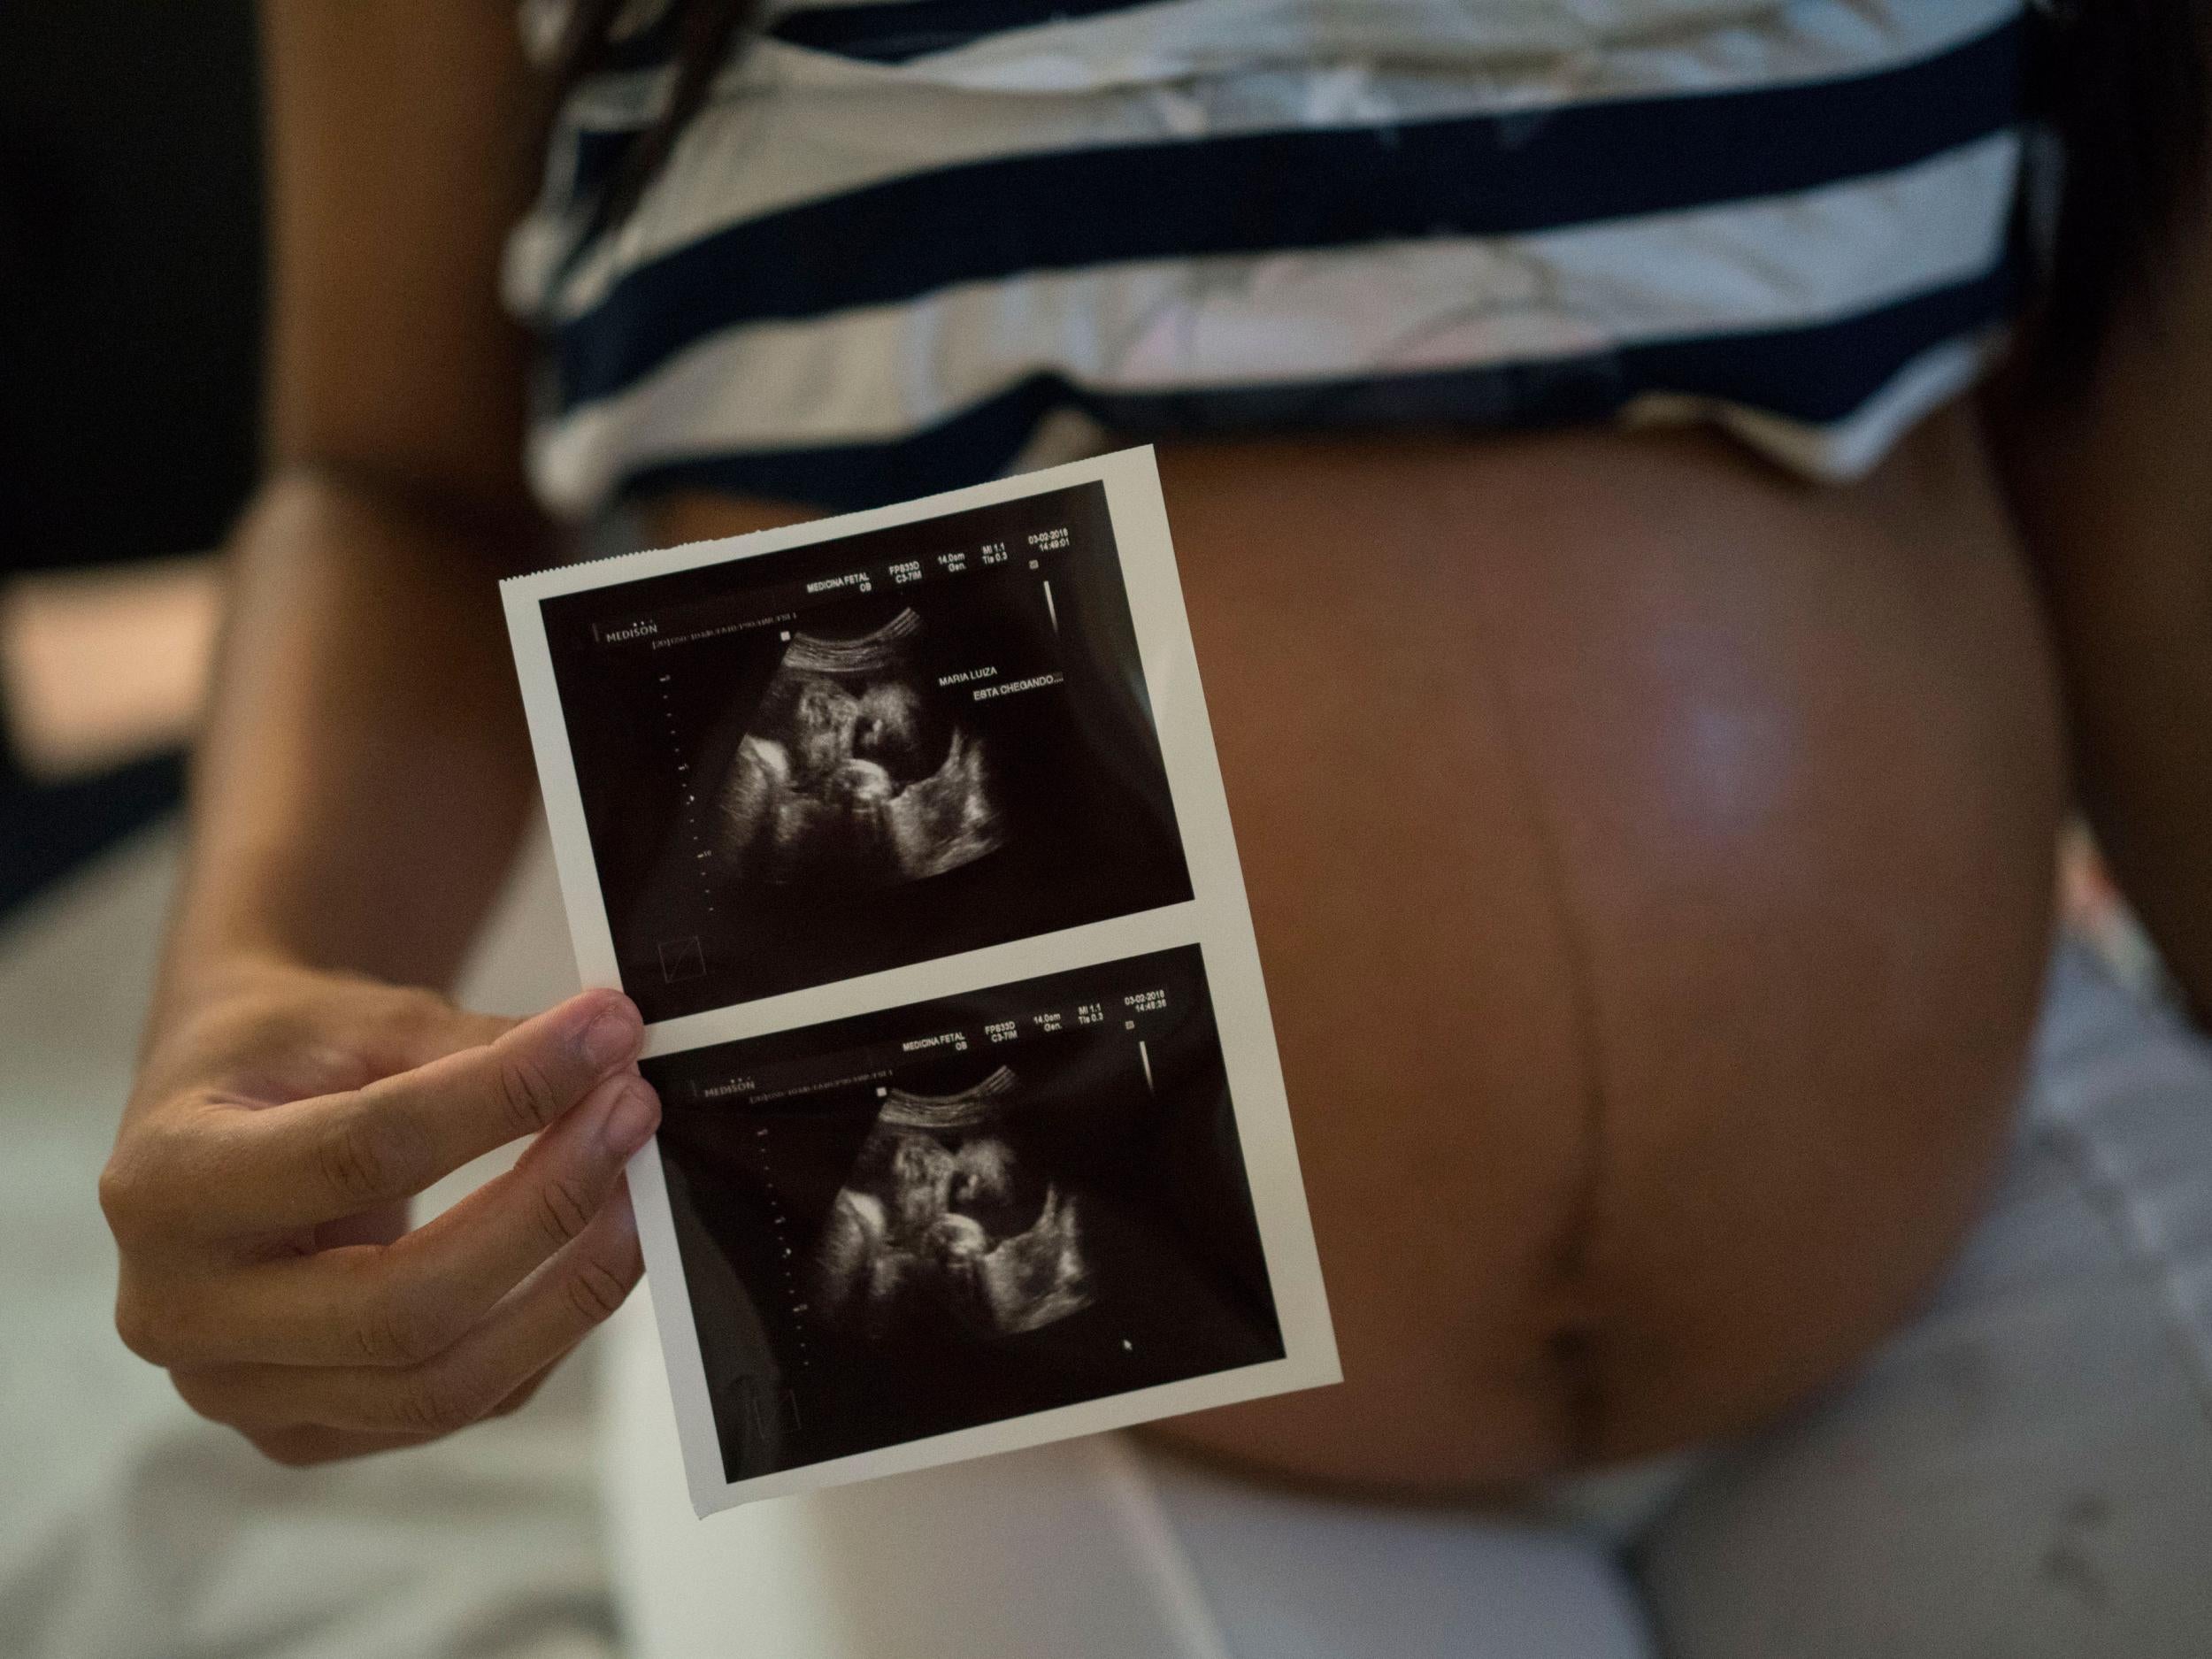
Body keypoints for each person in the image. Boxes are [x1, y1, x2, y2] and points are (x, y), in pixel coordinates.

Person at [100, 0, 2211, 1648]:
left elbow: (2115, 377)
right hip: (987, 1354)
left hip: (1970, 1195)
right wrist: (252, 976)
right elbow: (400, 479)